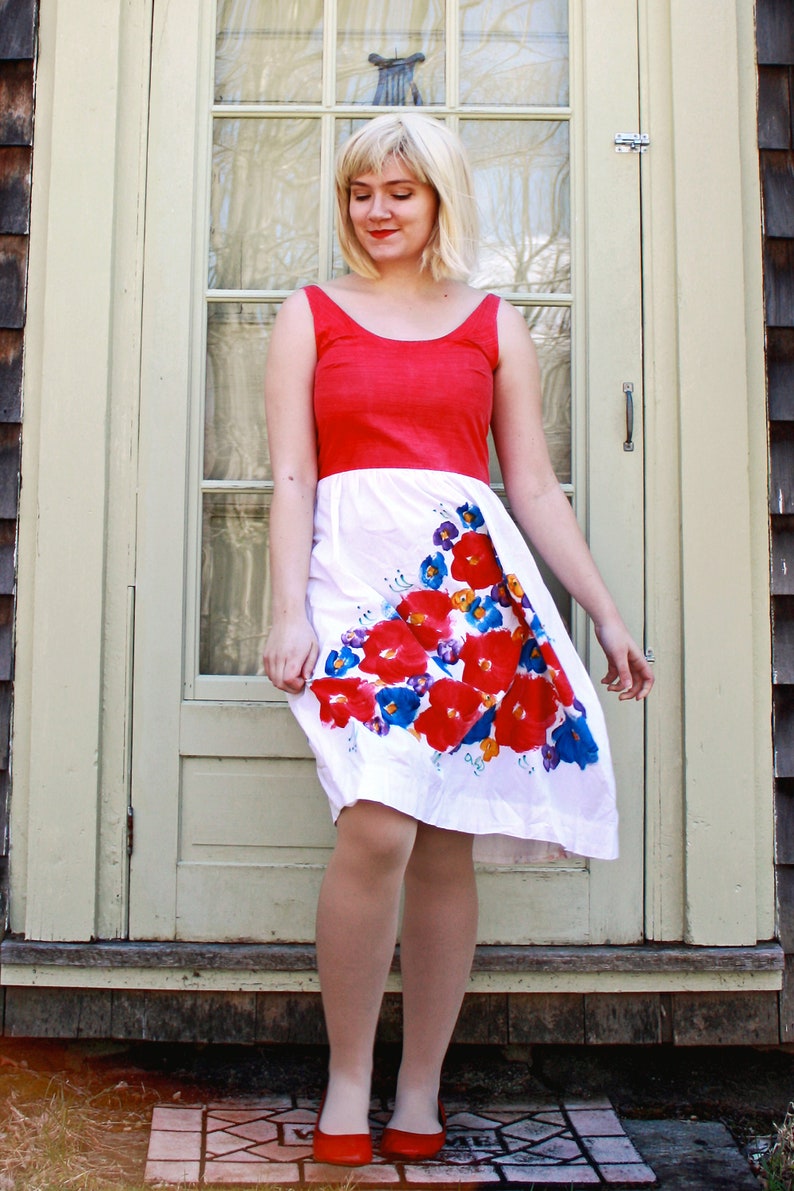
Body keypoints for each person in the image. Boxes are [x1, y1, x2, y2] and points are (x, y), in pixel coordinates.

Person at [262, 112, 653, 1167]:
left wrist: (602, 613)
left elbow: (528, 483)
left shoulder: (492, 323)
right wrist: (285, 608)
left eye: (399, 191)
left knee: (443, 840)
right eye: (359, 193)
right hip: (352, 583)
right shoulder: (309, 314)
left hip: (466, 593)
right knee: (377, 825)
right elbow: (291, 474)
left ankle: (418, 1087)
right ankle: (347, 1077)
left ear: (437, 199)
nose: (377, 211)